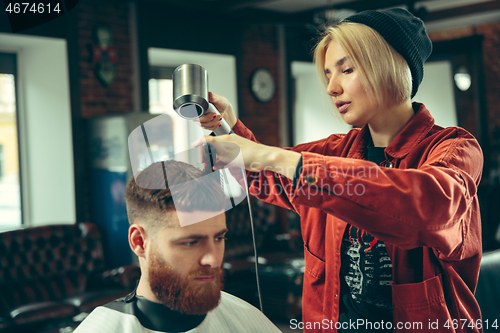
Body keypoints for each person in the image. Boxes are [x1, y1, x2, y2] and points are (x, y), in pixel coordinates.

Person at [194, 8, 483, 333]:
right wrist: (228, 128)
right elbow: (268, 176)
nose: (331, 87)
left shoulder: (455, 148)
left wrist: (274, 158)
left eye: (346, 70)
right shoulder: (335, 151)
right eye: (328, 74)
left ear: (390, 67)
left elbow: (431, 205)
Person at [73, 160, 281, 333]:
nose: (214, 259)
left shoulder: (246, 318)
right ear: (139, 242)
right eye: (191, 242)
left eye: (219, 238)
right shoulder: (103, 328)